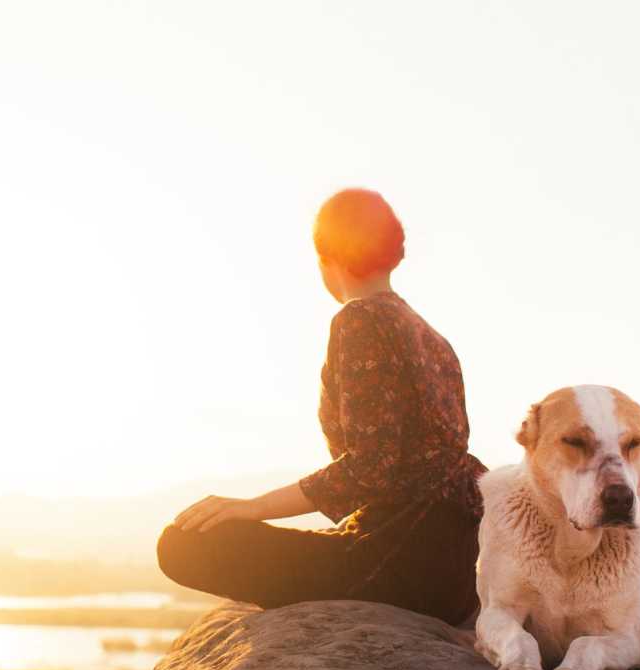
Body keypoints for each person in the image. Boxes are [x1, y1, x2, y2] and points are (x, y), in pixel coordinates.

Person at [156, 188, 487, 626]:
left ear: (326, 256)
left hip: (399, 563)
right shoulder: (433, 338)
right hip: (454, 567)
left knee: (181, 543)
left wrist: (252, 507)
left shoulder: (359, 319)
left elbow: (372, 467)